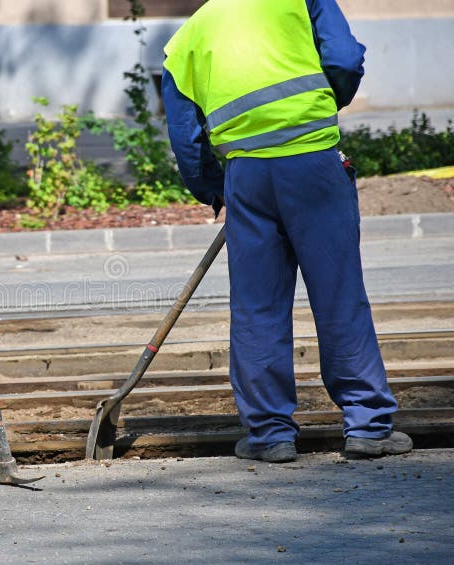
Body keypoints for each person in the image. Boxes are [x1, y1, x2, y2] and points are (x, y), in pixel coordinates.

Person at [162, 0, 412, 462]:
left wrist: (216, 190)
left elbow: (185, 136)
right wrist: (321, 103)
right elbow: (343, 58)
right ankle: (367, 427)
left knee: (257, 307)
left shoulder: (188, 37)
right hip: (313, 164)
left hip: (247, 178)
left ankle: (270, 435)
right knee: (339, 295)